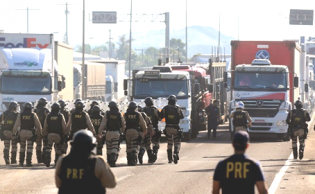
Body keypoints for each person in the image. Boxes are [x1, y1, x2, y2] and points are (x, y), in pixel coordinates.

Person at [55, 130, 117, 194]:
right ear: (92, 146)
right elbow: (112, 183)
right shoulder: (97, 162)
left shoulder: (63, 161)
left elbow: (58, 184)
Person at [12, 102, 42, 167]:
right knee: (29, 147)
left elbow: (16, 125)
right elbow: (38, 125)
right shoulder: (33, 114)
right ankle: (28, 162)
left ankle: (21, 162)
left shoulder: (21, 114)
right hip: (30, 133)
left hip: (22, 132)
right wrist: (40, 133)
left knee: (22, 147)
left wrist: (14, 133)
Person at [99, 101, 125, 167]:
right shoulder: (119, 114)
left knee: (109, 147)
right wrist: (122, 132)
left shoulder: (107, 113)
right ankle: (112, 160)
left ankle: (109, 161)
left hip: (108, 133)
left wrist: (100, 131)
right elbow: (123, 124)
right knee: (115, 146)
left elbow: (103, 123)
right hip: (116, 133)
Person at [160, 95, 184, 164]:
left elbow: (161, 116)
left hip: (168, 128)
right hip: (175, 127)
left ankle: (170, 159)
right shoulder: (177, 108)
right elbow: (181, 116)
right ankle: (176, 153)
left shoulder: (165, 108)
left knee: (169, 143)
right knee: (177, 142)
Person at [43, 103, 67, 167]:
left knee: (48, 148)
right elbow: (64, 127)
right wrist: (65, 134)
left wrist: (44, 134)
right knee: (58, 149)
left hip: (50, 134)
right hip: (58, 135)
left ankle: (48, 159)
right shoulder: (60, 115)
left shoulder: (48, 115)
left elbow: (45, 126)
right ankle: (56, 163)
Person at [123, 101, 147, 166]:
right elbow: (143, 123)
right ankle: (133, 160)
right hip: (135, 131)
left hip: (127, 131)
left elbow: (123, 123)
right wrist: (145, 129)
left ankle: (129, 160)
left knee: (128, 146)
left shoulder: (126, 114)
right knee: (134, 146)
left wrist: (122, 131)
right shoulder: (138, 114)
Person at [143, 97, 161, 163]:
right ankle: (155, 154)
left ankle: (150, 157)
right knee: (156, 142)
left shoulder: (143, 110)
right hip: (154, 128)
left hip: (146, 129)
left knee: (147, 144)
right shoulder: (155, 110)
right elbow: (159, 118)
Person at [34, 97, 50, 163]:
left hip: (36, 130)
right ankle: (44, 158)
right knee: (45, 144)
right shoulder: (46, 110)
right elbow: (48, 119)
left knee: (38, 144)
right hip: (44, 129)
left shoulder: (35, 110)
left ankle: (39, 159)